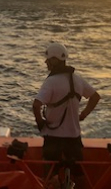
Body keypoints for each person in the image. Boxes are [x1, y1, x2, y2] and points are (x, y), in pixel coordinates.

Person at [32, 42, 100, 188]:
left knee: (50, 175)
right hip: (73, 137)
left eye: (48, 59)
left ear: (55, 60)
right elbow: (95, 97)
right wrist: (83, 115)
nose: (46, 62)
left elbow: (36, 105)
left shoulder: (51, 81)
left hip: (53, 138)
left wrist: (40, 123)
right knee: (79, 174)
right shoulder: (78, 79)